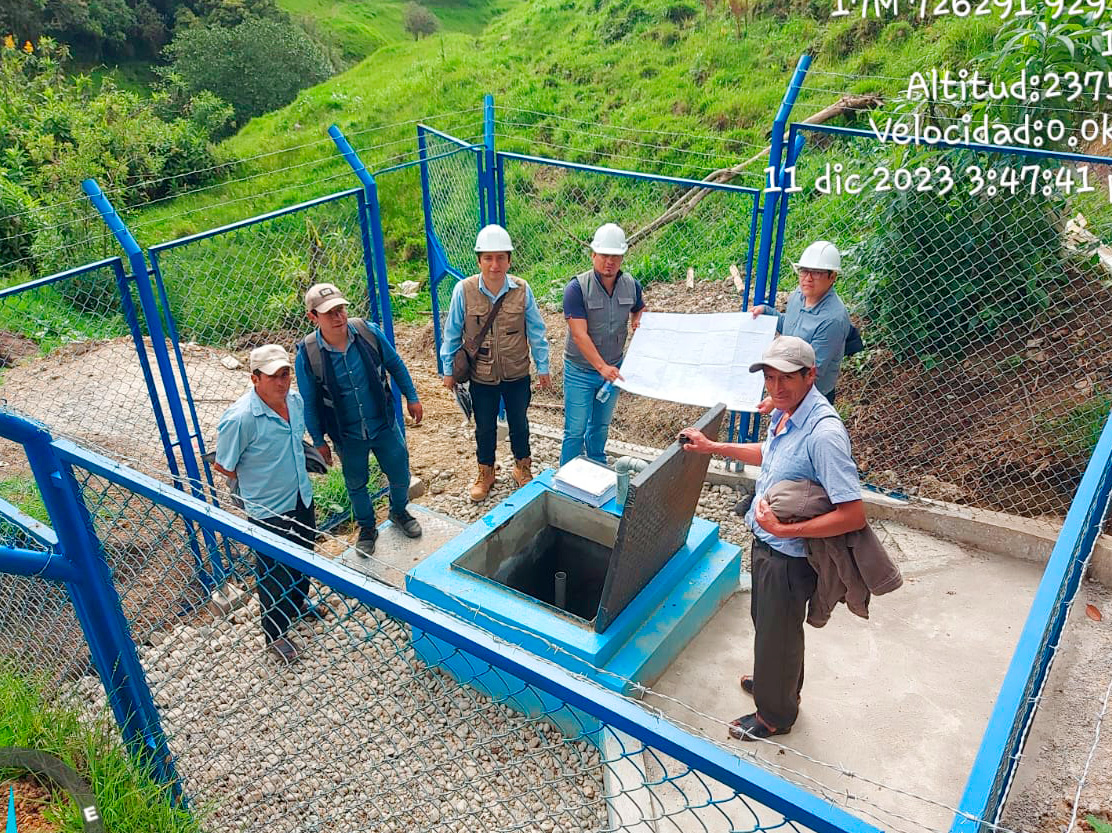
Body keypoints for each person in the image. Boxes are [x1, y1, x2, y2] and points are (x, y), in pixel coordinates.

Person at [679, 336, 866, 741]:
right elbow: (771, 454)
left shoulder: (824, 434)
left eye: (786, 378)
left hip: (789, 556)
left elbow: (852, 513)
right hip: (768, 544)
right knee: (768, 626)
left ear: (811, 375)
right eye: (769, 378)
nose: (776, 387)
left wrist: (786, 530)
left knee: (779, 633)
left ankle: (776, 715)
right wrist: (712, 446)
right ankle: (773, 682)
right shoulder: (787, 411)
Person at [294, 283, 424, 559]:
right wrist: (318, 440)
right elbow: (309, 400)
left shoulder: (366, 332)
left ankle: (399, 511)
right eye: (329, 313)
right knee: (356, 483)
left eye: (340, 309)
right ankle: (367, 528)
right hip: (347, 433)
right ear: (313, 317)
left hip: (383, 423)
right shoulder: (309, 354)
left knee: (400, 472)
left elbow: (395, 364)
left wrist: (412, 397)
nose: (338, 317)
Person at [214, 345, 318, 664]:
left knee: (304, 557)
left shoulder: (295, 402)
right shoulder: (241, 418)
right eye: (274, 376)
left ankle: (297, 603)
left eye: (285, 374)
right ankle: (275, 634)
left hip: (301, 496)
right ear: (255, 378)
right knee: (274, 573)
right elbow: (225, 465)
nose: (282, 382)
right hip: (269, 509)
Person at [440, 224, 551, 502]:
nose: (494, 264)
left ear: (509, 260)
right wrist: (448, 370)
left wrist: (543, 366)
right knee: (485, 426)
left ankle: (522, 468)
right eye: (488, 258)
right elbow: (452, 332)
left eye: (500, 257)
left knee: (519, 423)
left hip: (516, 373)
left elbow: (536, 331)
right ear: (479, 260)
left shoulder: (522, 290)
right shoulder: (463, 291)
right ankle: (486, 472)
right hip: (481, 376)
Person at [559, 223, 646, 466]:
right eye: (605, 255)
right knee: (575, 430)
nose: (610, 261)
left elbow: (639, 308)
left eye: (616, 256)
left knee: (600, 426)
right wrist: (601, 368)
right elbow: (579, 335)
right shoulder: (576, 288)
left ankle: (596, 465)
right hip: (580, 370)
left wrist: (638, 319)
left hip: (612, 369)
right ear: (593, 255)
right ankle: (567, 475)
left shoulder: (631, 285)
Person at [751, 240, 851, 407]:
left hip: (811, 398)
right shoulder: (799, 295)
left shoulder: (833, 320)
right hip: (789, 384)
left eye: (817, 272)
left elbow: (813, 371)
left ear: (832, 276)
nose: (808, 279)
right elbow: (789, 326)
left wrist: (777, 400)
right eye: (804, 271)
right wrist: (767, 312)